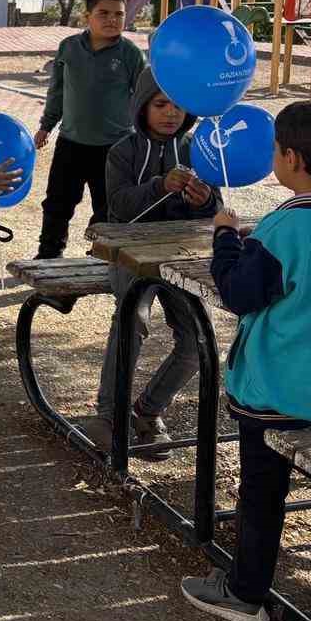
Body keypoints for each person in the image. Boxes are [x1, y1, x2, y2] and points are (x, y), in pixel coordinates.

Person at [181, 99, 311, 621]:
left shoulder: (281, 228)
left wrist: (225, 238)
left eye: (275, 149)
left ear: (291, 158)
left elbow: (238, 293)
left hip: (275, 389)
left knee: (262, 494)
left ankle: (245, 592)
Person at [89, 70, 222, 454]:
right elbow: (118, 206)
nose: (170, 113)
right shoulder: (123, 151)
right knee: (132, 318)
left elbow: (216, 207)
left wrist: (204, 201)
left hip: (179, 255)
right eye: (161, 104)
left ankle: (148, 411)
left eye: (178, 106)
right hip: (128, 255)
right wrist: (159, 186)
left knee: (198, 339)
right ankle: (108, 416)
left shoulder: (200, 149)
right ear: (142, 107)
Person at [34, 0, 144, 258]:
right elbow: (57, 91)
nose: (112, 20)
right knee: (57, 203)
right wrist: (46, 125)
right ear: (87, 17)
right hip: (71, 143)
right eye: (103, 13)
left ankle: (102, 256)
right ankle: (49, 254)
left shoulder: (130, 54)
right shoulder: (69, 48)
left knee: (108, 207)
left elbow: (144, 97)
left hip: (114, 148)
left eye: (119, 14)